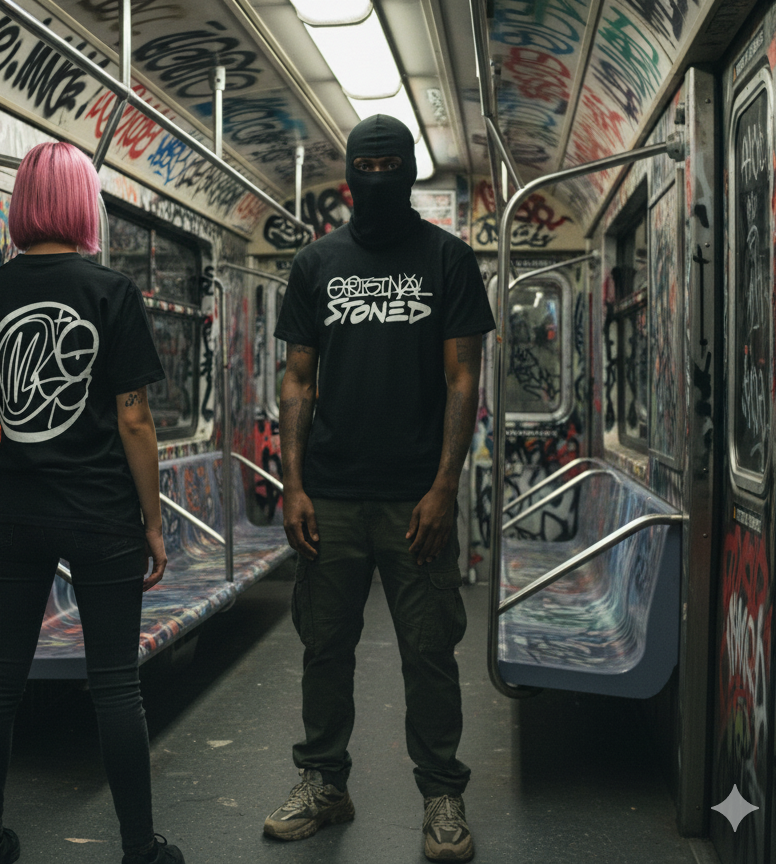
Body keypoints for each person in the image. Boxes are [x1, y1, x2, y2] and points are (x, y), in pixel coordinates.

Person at [262, 115, 495, 863]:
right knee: (325, 646)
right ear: (349, 179)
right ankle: (323, 782)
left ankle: (442, 794)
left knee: (429, 652)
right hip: (330, 492)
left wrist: (445, 486)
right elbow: (298, 379)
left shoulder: (449, 260)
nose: (380, 178)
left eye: (394, 166)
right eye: (370, 167)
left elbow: (463, 376)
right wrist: (293, 484)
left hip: (415, 496)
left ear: (411, 174)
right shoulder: (316, 263)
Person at [0, 141, 185, 864]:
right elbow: (134, 420)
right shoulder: (113, 291)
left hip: (18, 511)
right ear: (84, 203)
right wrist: (152, 523)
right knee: (115, 685)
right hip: (101, 512)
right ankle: (140, 849)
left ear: (25, 203)